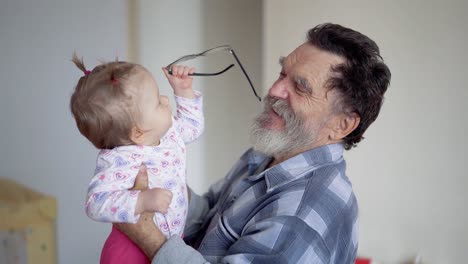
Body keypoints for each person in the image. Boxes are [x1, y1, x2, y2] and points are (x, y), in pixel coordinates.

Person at [117, 23, 391, 264]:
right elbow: (207, 215)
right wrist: (158, 175)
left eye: (301, 87)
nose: (274, 90)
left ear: (341, 125)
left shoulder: (303, 212)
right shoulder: (269, 153)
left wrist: (148, 235)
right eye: (283, 74)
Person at [70, 56, 204, 264]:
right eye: (159, 102)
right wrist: (140, 201)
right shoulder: (118, 161)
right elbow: (95, 203)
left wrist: (184, 92)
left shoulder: (168, 134)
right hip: (129, 252)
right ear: (138, 133)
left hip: (169, 245)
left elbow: (193, 129)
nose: (167, 101)